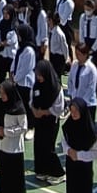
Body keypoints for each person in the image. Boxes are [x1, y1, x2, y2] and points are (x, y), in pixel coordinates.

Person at [61, 98, 97, 193]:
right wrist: (68, 151)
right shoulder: (69, 125)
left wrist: (79, 155)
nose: (74, 114)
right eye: (71, 111)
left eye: (76, 111)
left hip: (84, 169)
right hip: (71, 166)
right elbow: (64, 140)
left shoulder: (89, 130)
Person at [30, 53, 65, 183]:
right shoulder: (36, 85)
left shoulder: (56, 88)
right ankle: (42, 170)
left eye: (40, 75)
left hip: (51, 122)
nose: (38, 77)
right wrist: (34, 110)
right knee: (38, 145)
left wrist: (44, 112)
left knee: (48, 147)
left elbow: (59, 108)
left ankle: (58, 173)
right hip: (39, 120)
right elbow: (31, 100)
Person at [0, 78, 28, 193]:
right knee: (4, 173)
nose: (1, 96)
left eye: (4, 93)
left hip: (14, 147)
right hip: (1, 144)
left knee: (15, 176)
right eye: (0, 93)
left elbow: (23, 127)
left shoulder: (18, 108)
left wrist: (6, 131)